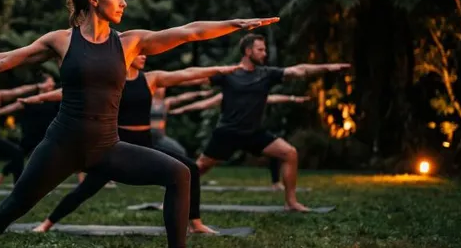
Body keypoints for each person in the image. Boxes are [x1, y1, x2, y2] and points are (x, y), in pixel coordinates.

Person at [0, 0, 278, 248]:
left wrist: (235, 24)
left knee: (180, 173)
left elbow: (189, 31)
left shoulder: (129, 43)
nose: (124, 3)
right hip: (61, 144)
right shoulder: (62, 40)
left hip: (106, 146)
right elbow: (4, 60)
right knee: (15, 204)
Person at [23, 55, 239, 235]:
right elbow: (71, 93)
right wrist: (40, 99)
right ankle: (47, 223)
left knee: (190, 168)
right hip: (116, 147)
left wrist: (219, 69)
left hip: (145, 144)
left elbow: (186, 74)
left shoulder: (151, 79)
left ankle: (195, 223)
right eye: (140, 52)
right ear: (128, 55)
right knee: (85, 189)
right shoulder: (113, 81)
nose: (144, 56)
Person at [191, 33, 349, 211]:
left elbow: (299, 70)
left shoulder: (266, 74)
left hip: (253, 133)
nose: (264, 53)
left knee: (289, 153)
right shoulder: (229, 74)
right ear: (248, 51)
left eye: (264, 49)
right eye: (260, 50)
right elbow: (195, 77)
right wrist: (167, 80)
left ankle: (291, 202)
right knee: (199, 168)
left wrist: (328, 67)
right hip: (228, 132)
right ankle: (176, 196)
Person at [170, 91, 311, 190]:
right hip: (228, 135)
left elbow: (272, 98)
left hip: (251, 134)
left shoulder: (254, 94)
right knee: (201, 166)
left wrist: (293, 98)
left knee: (286, 152)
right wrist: (182, 109)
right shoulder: (226, 94)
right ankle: (177, 189)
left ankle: (287, 197)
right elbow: (204, 104)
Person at [0, 73, 59, 188]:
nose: (53, 84)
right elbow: (12, 107)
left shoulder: (55, 100)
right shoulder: (30, 100)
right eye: (50, 82)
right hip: (30, 136)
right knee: (17, 158)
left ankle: (42, 183)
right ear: (42, 84)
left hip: (47, 136)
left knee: (46, 160)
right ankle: (1, 176)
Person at [149, 87, 213, 157]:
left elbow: (182, 98)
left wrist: (199, 93)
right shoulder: (147, 102)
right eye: (159, 88)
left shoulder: (166, 103)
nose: (161, 90)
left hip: (160, 137)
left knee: (180, 151)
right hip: (147, 137)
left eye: (162, 88)